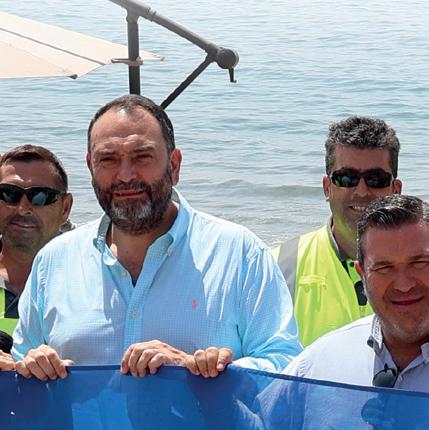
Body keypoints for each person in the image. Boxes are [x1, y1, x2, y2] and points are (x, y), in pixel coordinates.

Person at [13, 94, 301, 381]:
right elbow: (20, 367)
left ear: (174, 166)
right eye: (108, 159)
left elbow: (285, 366)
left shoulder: (239, 253)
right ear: (90, 167)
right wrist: (30, 366)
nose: (125, 176)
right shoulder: (54, 260)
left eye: (142, 157)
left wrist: (197, 371)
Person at [272, 116, 402, 346]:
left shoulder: (422, 268)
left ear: (396, 190)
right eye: (347, 178)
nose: (362, 191)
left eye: (376, 179)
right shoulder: (278, 266)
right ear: (327, 188)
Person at [285, 194, 429, 391]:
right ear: (362, 275)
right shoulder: (317, 367)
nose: (404, 285)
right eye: (384, 268)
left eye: (420, 263)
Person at [0, 145, 72, 369]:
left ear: (65, 208)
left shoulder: (97, 282)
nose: (23, 208)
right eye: (8, 193)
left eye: (41, 197)